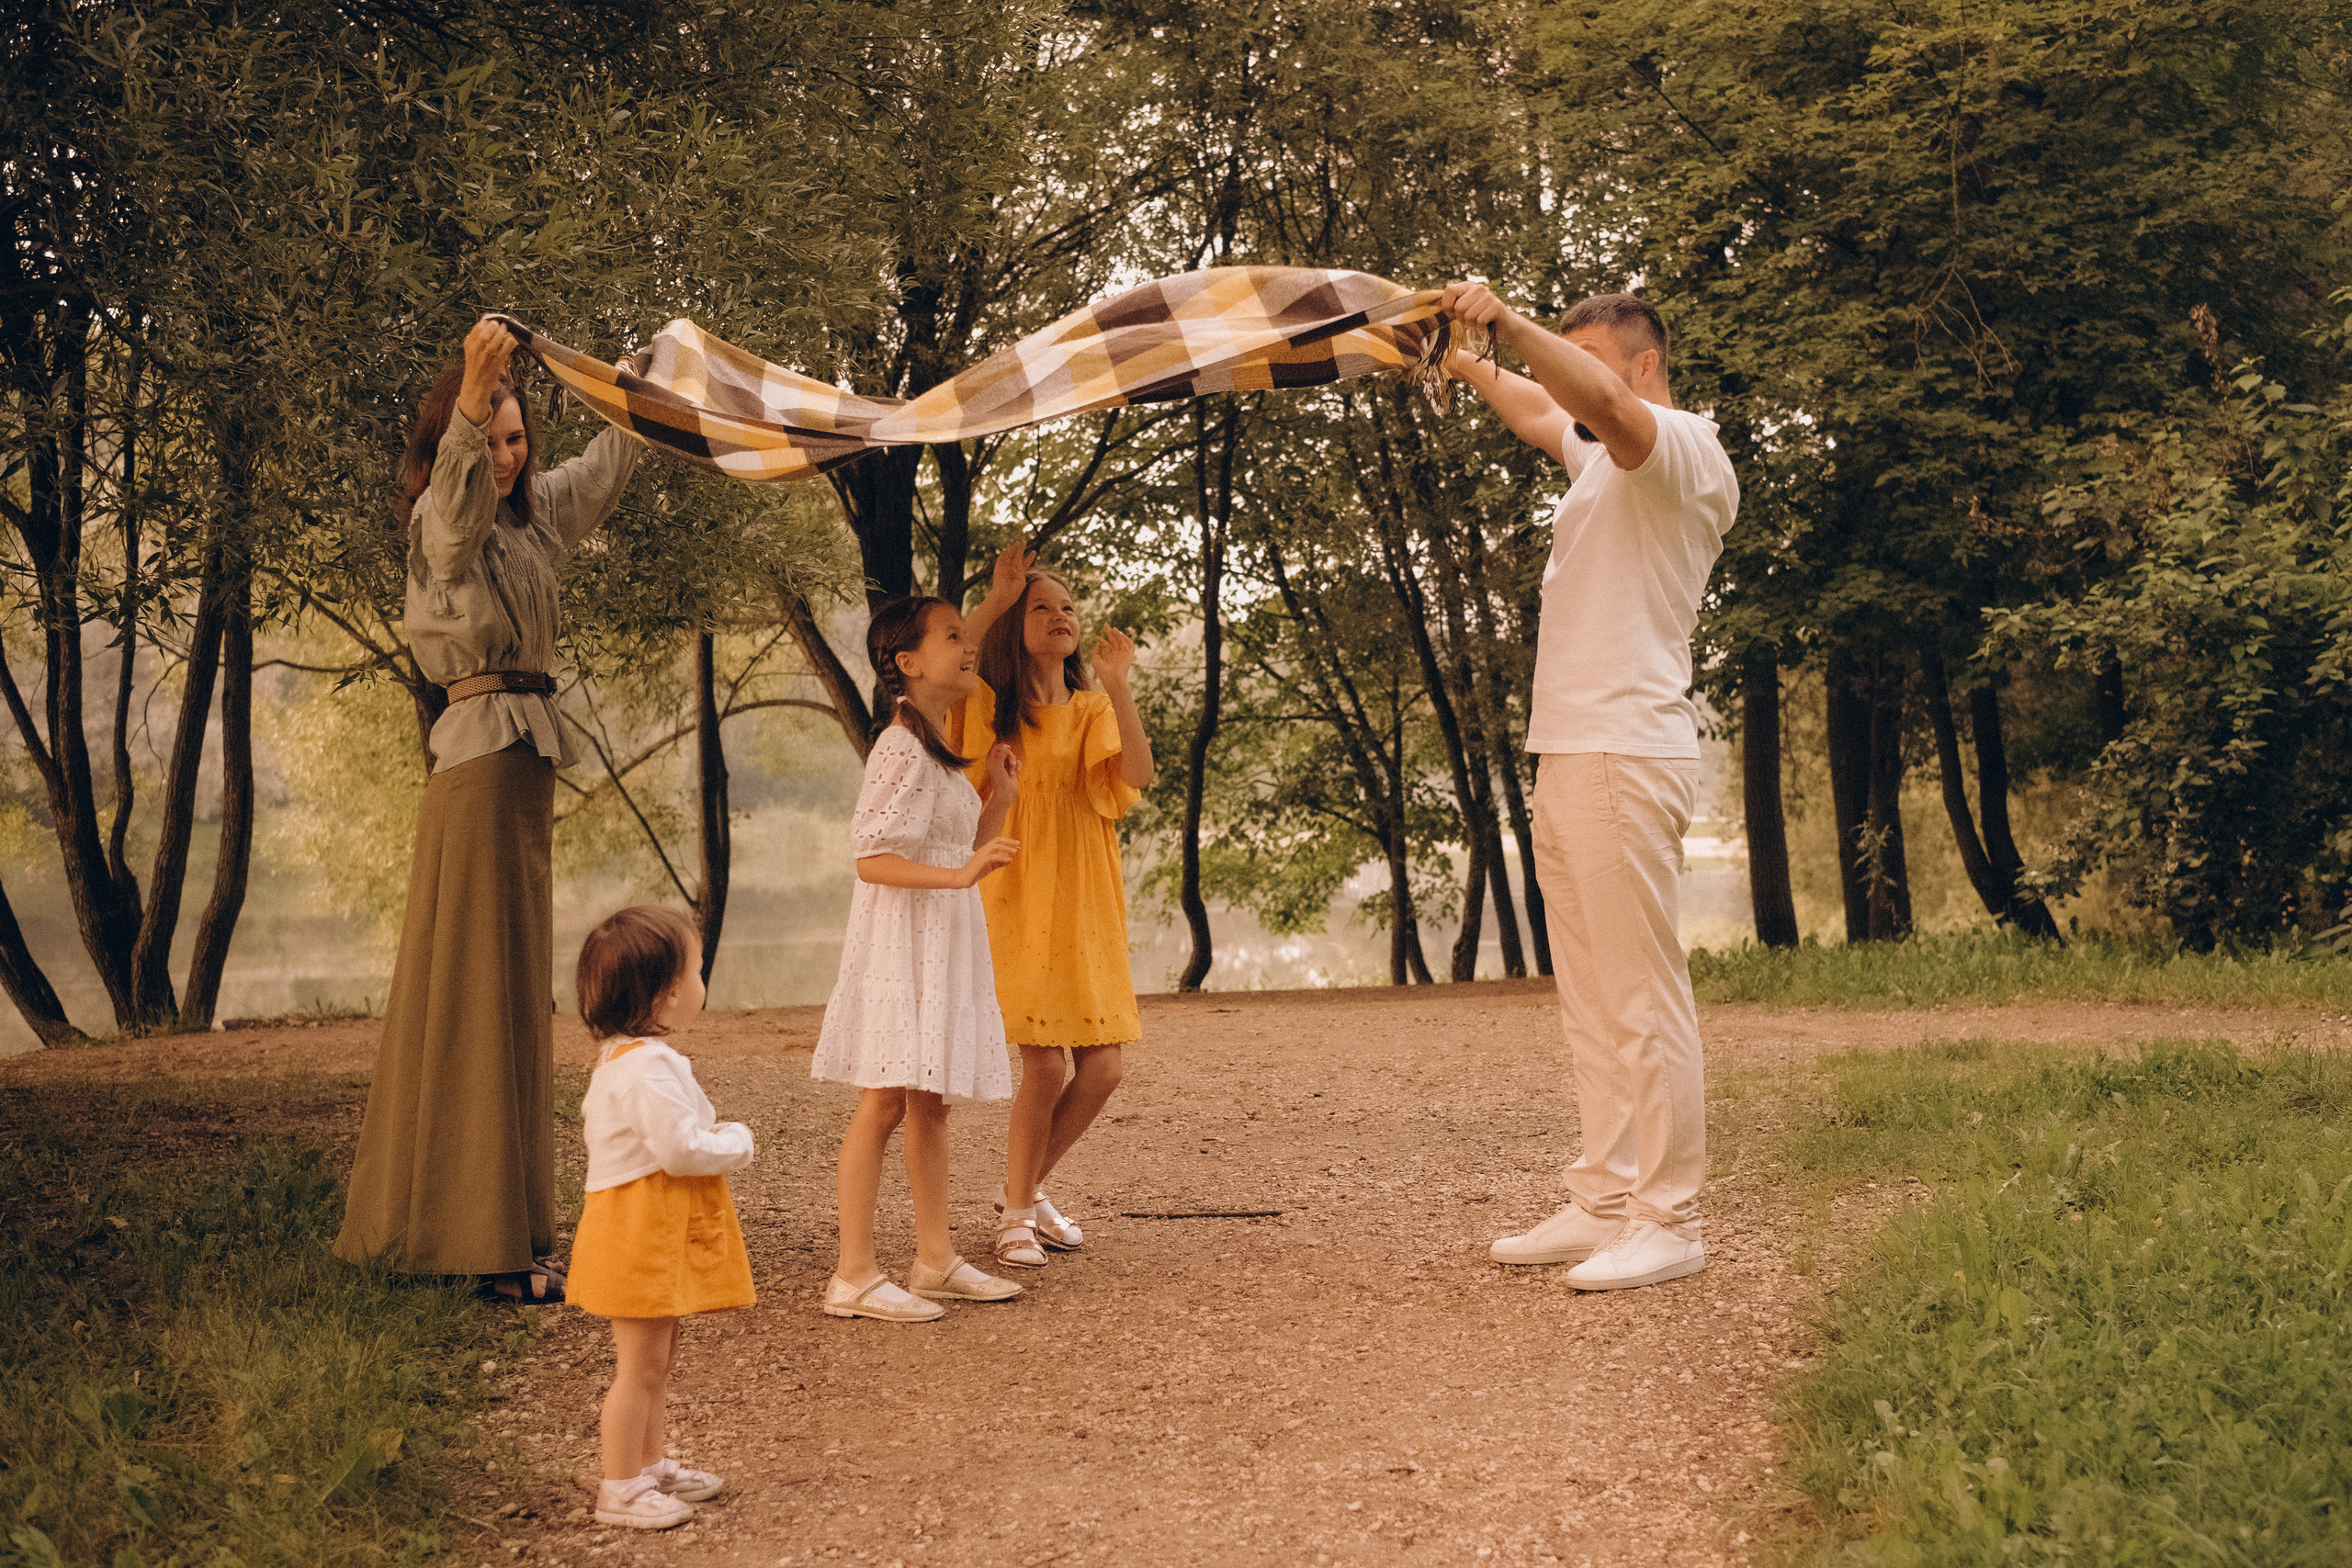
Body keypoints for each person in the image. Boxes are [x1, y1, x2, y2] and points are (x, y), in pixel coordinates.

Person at [334, 316, 643, 1303]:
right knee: (473, 995)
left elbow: (598, 473)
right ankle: (472, 1241)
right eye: (492, 438)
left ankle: (502, 1232)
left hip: (520, 762)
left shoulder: (532, 517)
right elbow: (460, 505)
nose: (509, 457)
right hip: (477, 765)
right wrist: (474, 391)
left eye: (518, 440)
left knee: (509, 999)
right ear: (454, 441)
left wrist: (639, 395)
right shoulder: (445, 517)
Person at [1439, 284, 1738, 1292]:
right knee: (1594, 1001)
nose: (1563, 379)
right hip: (1573, 751)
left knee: (1642, 998)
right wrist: (1461, 361)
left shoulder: (1678, 444)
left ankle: (1670, 1219)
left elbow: (1596, 408)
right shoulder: (1601, 465)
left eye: (1586, 359)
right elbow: (1542, 410)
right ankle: (1606, 1198)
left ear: (1643, 363)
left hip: (1623, 748)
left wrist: (1503, 324)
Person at [810, 597, 1028, 1321]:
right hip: (902, 939)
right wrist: (958, 878)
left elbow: (959, 852)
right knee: (883, 1102)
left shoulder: (933, 744)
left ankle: (934, 1259)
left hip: (936, 932)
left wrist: (999, 796)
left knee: (929, 1100)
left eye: (968, 637)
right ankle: (854, 1274)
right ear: (907, 662)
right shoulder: (900, 745)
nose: (970, 648)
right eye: (954, 636)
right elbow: (873, 859)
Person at [954, 546, 1154, 1270]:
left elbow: (1137, 775)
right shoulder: (988, 706)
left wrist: (1118, 684)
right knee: (1042, 1068)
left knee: (1103, 1070)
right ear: (1017, 625)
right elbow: (951, 668)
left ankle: (1025, 1189)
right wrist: (998, 598)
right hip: (1019, 893)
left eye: (1069, 606)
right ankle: (1015, 1214)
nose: (1061, 615)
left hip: (1088, 899)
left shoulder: (1095, 706)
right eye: (1043, 607)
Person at [566, 907, 753, 1530]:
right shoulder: (644, 1068)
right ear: (667, 993)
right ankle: (619, 1487)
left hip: (649, 1230)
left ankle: (646, 1467)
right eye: (697, 969)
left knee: (657, 1360)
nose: (703, 979)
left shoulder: (637, 1057)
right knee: (638, 1369)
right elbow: (680, 1149)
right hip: (636, 1234)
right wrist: (738, 1141)